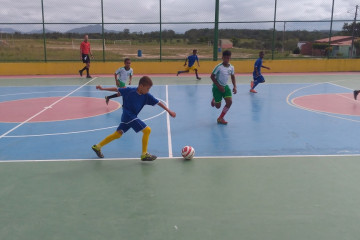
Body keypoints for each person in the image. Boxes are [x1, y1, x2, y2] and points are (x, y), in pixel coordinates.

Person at [92, 76, 176, 161]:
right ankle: (144, 154)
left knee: (118, 134)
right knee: (147, 130)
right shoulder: (129, 91)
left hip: (128, 117)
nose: (148, 90)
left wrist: (169, 111)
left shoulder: (146, 96)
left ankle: (97, 146)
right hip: (129, 115)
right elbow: (116, 89)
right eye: (147, 88)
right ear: (141, 86)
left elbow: (158, 102)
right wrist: (102, 89)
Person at [210, 50, 237, 125]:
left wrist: (235, 87)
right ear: (222, 58)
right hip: (217, 87)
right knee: (218, 106)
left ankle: (220, 118)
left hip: (225, 86)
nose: (226, 60)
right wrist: (219, 86)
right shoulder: (219, 67)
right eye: (225, 58)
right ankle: (214, 100)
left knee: (229, 102)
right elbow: (212, 76)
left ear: (230, 58)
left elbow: (233, 77)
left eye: (228, 58)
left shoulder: (231, 67)